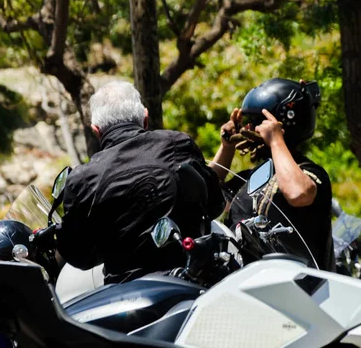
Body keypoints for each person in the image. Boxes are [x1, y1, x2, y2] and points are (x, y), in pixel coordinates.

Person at [56, 80, 225, 284]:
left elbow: (78, 257)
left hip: (124, 300)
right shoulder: (178, 144)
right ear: (145, 118)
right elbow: (215, 205)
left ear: (96, 131)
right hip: (192, 282)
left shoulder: (81, 178)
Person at [211, 78, 335, 271]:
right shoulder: (249, 179)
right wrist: (227, 147)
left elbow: (298, 193)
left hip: (298, 291)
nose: (248, 129)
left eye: (256, 123)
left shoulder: (310, 174)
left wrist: (276, 141)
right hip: (241, 288)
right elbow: (204, 194)